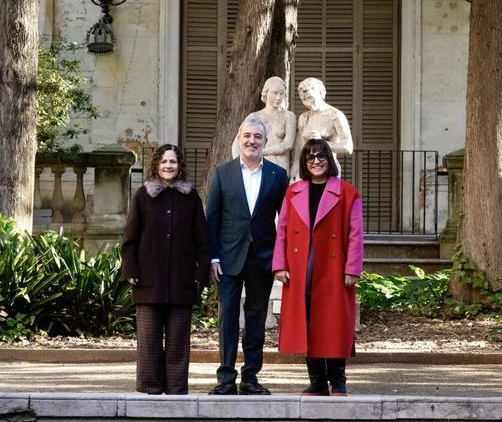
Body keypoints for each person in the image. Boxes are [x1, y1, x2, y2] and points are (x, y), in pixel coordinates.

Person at [205, 116, 290, 395]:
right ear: (239, 139)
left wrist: (280, 260)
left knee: (256, 317)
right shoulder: (222, 173)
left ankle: (250, 377)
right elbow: (212, 219)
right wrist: (213, 257)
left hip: (262, 258)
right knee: (227, 318)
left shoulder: (278, 176)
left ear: (265, 143)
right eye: (247, 136)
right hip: (228, 259)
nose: (252, 141)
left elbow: (285, 221)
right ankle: (226, 378)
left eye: (258, 137)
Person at [273, 137, 363, 396]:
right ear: (304, 162)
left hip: (333, 269)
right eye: (310, 157)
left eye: (321, 155)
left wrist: (352, 268)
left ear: (329, 159)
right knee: (307, 323)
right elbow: (283, 230)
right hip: (301, 268)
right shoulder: (293, 192)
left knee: (332, 324)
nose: (316, 161)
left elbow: (356, 233)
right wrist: (279, 264)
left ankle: (338, 381)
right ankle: (317, 381)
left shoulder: (347, 192)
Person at [121, 144, 210, 395]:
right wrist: (130, 269)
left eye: (173, 162)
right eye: (163, 162)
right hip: (148, 280)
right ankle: (150, 388)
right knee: (148, 340)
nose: (168, 166)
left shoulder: (191, 198)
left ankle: (176, 389)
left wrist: (200, 276)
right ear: (156, 165)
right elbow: (129, 239)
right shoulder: (142, 195)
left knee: (178, 341)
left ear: (179, 165)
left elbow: (202, 240)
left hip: (182, 281)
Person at [231, 76, 297, 172]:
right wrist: (238, 167)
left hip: (279, 166)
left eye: (282, 94)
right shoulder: (254, 117)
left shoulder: (289, 116)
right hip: (256, 165)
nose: (278, 97)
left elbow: (288, 144)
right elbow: (237, 143)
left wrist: (263, 151)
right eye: (275, 93)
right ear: (266, 93)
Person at [292, 77, 354, 179]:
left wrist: (321, 142)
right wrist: (293, 173)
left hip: (327, 170)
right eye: (304, 99)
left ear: (321, 93)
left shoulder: (335, 115)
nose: (307, 103)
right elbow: (299, 150)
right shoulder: (303, 118)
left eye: (310, 98)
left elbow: (348, 147)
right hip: (305, 170)